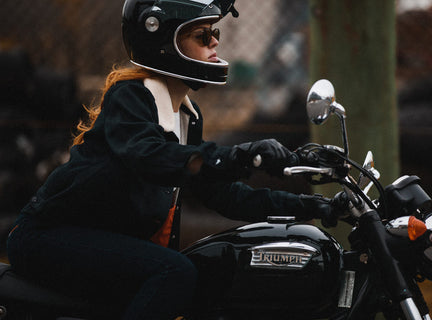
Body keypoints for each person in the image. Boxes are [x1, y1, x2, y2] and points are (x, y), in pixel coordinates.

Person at [7, 0, 340, 319]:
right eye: (202, 35)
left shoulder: (186, 116)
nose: (214, 42)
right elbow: (150, 154)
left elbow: (223, 194)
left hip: (102, 239)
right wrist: (244, 156)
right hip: (48, 235)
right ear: (165, 43)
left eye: (216, 33)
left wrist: (309, 206)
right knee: (174, 271)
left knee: (212, 276)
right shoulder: (131, 97)